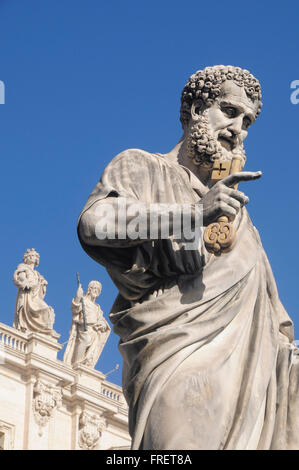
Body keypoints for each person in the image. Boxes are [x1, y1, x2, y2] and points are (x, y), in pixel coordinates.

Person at [77, 65, 299, 449]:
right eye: (229, 111)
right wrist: (194, 214)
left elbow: (273, 320)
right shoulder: (142, 166)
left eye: (247, 121)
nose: (238, 129)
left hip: (249, 384)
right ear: (197, 109)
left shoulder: (241, 217)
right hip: (174, 363)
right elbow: (95, 224)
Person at [63, 280, 110, 368]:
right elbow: (75, 308)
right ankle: (77, 363)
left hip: (94, 331)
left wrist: (103, 324)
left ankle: (85, 365)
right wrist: (78, 296)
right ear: (89, 289)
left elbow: (101, 320)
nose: (96, 291)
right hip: (84, 328)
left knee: (90, 351)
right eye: (95, 288)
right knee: (85, 341)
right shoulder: (83, 301)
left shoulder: (98, 307)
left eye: (98, 290)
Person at [13, 248, 55, 336]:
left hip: (35, 297)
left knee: (47, 310)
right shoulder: (22, 267)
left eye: (34, 256)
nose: (32, 257)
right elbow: (20, 277)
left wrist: (42, 283)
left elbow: (40, 288)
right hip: (27, 296)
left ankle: (45, 331)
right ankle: (29, 328)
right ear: (26, 258)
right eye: (30, 256)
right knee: (31, 311)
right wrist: (25, 282)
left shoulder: (37, 273)